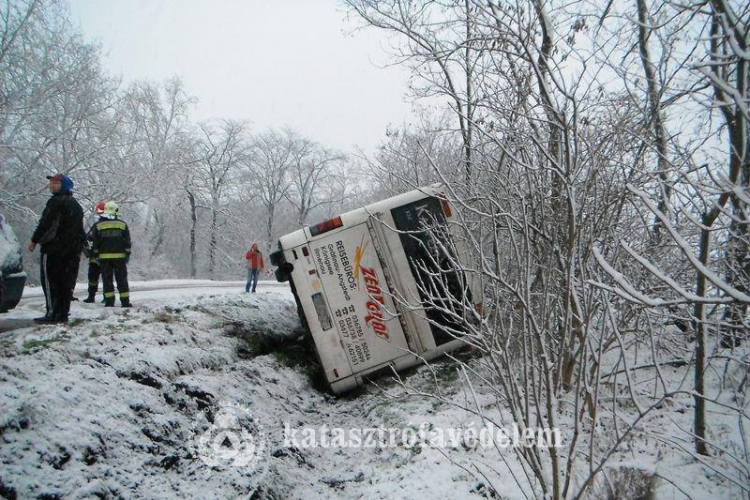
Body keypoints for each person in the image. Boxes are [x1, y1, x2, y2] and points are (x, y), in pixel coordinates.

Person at [28, 172, 86, 324]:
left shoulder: (55, 202)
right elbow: (80, 229)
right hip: (72, 252)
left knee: (51, 281)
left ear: (64, 186)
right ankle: (62, 314)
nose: (52, 185)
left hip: (54, 250)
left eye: (56, 183)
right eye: (51, 182)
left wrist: (34, 240)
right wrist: (84, 246)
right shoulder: (75, 204)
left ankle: (52, 313)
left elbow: (46, 223)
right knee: (65, 284)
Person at [90, 201, 132, 307]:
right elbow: (127, 241)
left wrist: (96, 254)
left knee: (107, 280)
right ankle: (125, 301)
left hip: (104, 259)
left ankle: (109, 301)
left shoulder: (99, 225)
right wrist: (127, 253)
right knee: (122, 279)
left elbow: (95, 242)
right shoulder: (122, 225)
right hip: (120, 258)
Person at [82, 201, 106, 303]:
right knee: (106, 278)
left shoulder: (97, 225)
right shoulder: (115, 224)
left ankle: (91, 296)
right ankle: (107, 297)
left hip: (96, 255)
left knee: (93, 277)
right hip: (107, 257)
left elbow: (88, 237)